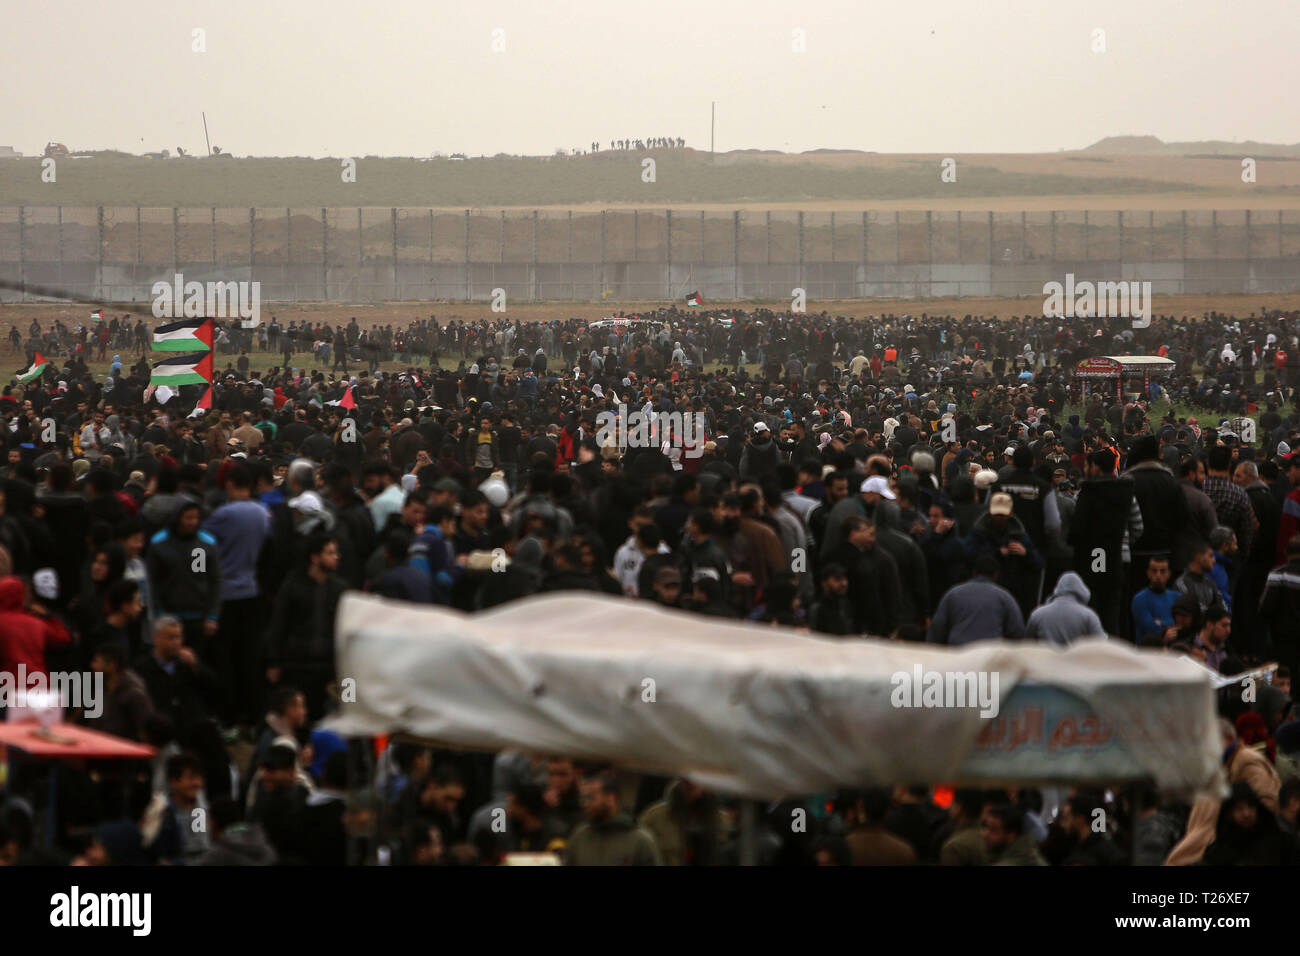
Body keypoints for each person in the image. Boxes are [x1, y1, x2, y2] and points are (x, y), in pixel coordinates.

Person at [564, 770, 662, 866]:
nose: (585, 804)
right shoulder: (580, 838)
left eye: (590, 798)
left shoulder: (640, 841)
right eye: (583, 798)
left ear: (611, 798)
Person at [927, 555, 1025, 645]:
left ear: (973, 573)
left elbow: (937, 629)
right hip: (989, 655)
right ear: (996, 575)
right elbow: (1017, 632)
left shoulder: (953, 593)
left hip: (958, 653)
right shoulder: (1005, 597)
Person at [1024, 572, 1105, 646]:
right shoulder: (1088, 616)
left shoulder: (1038, 614)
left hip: (1046, 661)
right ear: (1082, 592)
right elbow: (1102, 644)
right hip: (1076, 661)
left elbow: (1027, 643)